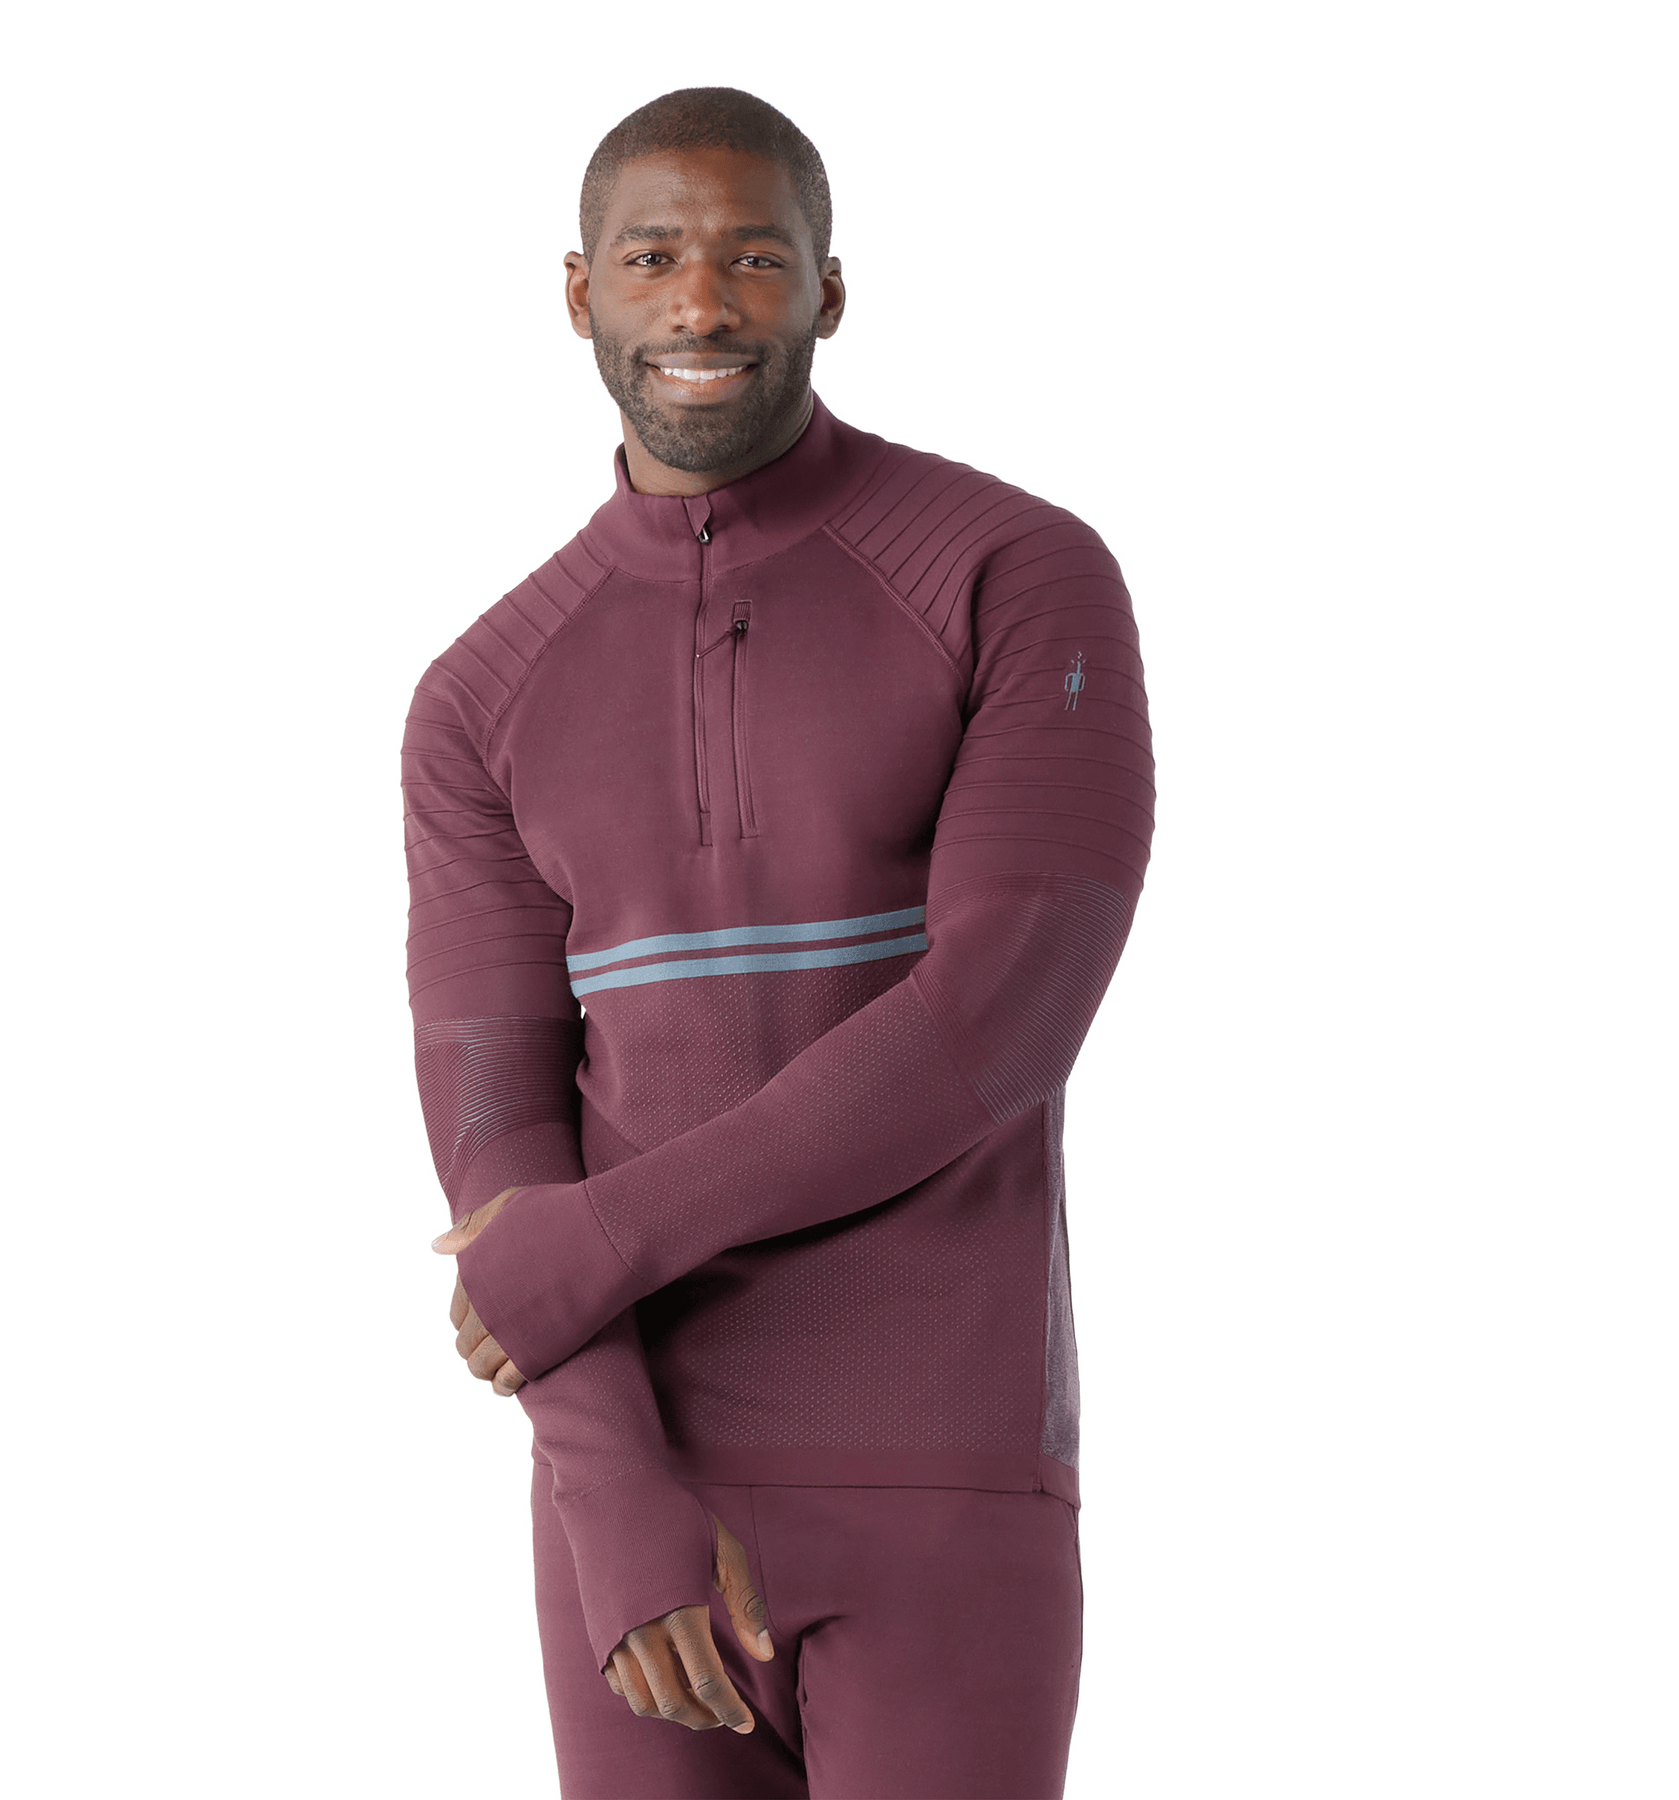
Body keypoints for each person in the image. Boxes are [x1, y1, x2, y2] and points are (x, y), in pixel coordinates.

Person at [401, 86, 1156, 1800]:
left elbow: (1005, 1011)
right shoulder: (478, 693)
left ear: (830, 289)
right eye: (652, 257)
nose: (703, 302)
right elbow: (498, 1121)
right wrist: (609, 1490)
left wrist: (611, 1236)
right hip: (636, 1498)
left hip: (945, 1470)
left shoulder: (1013, 573)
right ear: (578, 292)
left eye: (755, 257)